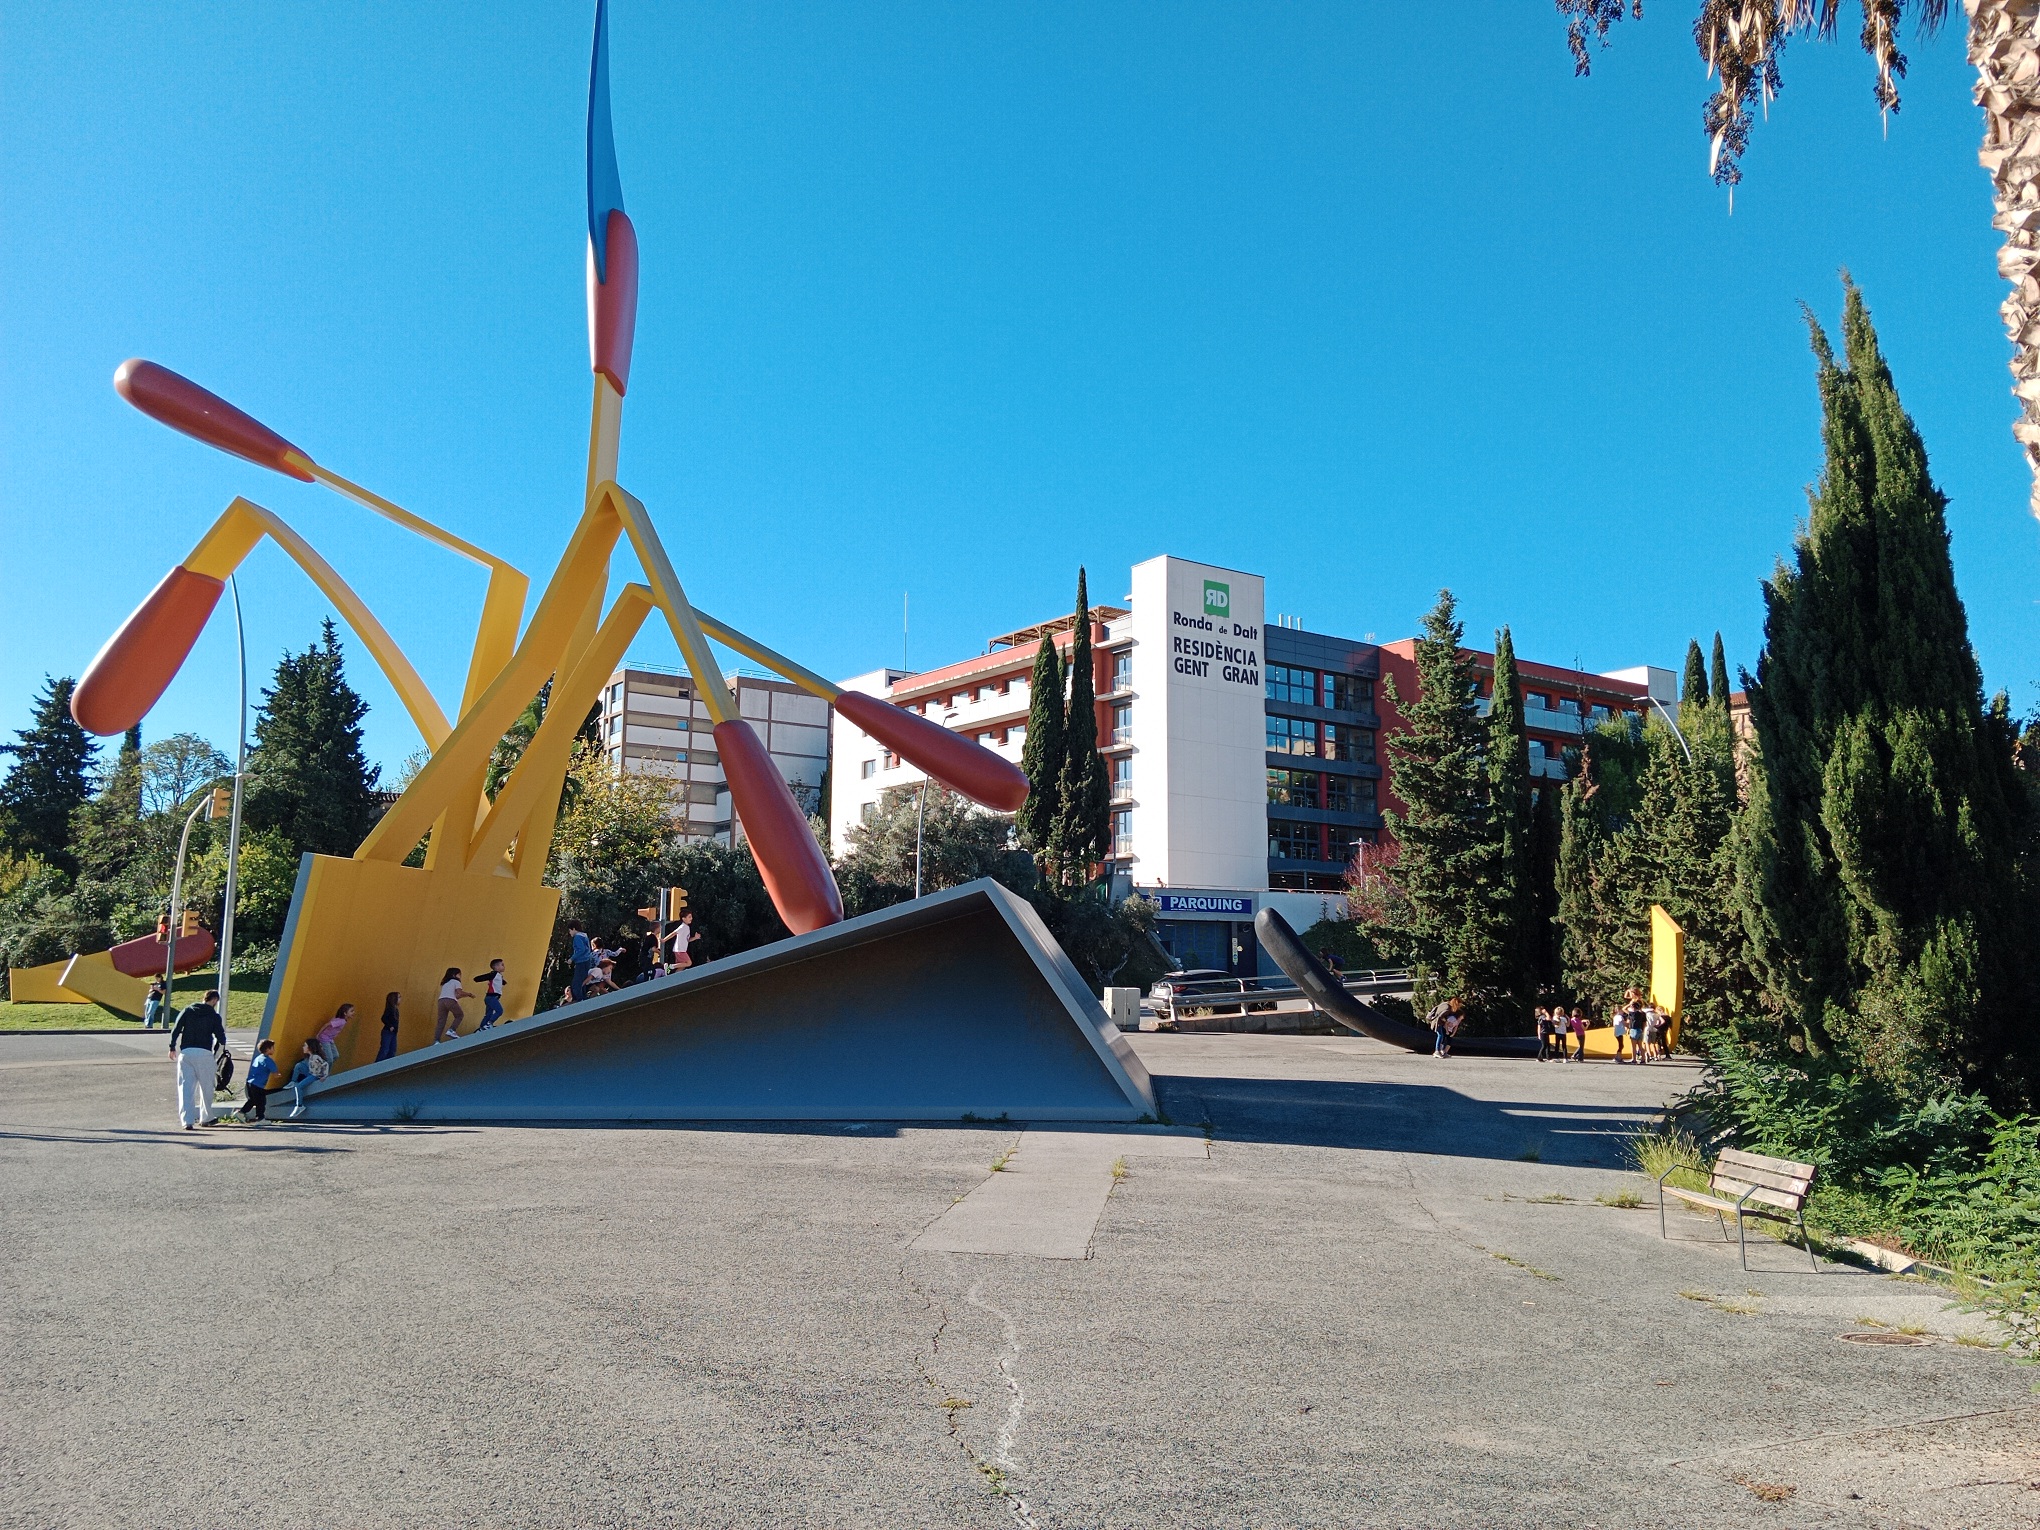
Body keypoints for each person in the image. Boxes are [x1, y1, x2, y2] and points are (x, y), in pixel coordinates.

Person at [167, 989, 227, 1130]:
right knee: (206, 1087)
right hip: (205, 1053)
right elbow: (221, 1037)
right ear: (214, 1000)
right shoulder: (214, 1016)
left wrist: (172, 1046)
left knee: (185, 1088)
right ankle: (206, 1118)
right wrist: (217, 1052)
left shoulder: (188, 1010)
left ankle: (187, 1121)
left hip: (186, 1053)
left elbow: (176, 1028)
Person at [241, 1038, 279, 1122]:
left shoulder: (258, 1058)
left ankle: (241, 1112)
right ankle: (260, 1118)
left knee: (253, 1100)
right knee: (261, 1102)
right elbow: (275, 1073)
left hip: (250, 1083)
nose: (274, 1050)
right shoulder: (268, 1060)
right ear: (268, 1049)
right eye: (273, 1048)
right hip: (258, 1085)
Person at [434, 968, 471, 1044]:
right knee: (459, 1015)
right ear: (454, 975)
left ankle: (436, 1040)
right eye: (459, 974)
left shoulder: (445, 983)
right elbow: (459, 992)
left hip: (441, 1001)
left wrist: (464, 995)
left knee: (441, 1021)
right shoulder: (456, 981)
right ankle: (452, 1030)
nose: (460, 976)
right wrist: (469, 994)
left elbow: (456, 996)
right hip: (450, 1000)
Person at [566, 920, 596, 1002]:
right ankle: (583, 998)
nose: (570, 933)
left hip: (581, 962)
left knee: (576, 983)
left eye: (570, 930)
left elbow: (581, 950)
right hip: (587, 961)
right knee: (583, 982)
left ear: (574, 929)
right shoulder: (584, 936)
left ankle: (578, 1000)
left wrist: (572, 958)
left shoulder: (577, 937)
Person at [478, 959, 506, 1029]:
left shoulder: (499, 975)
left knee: (488, 1014)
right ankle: (489, 1023)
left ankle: (482, 1027)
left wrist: (503, 982)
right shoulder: (494, 974)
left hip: (491, 997)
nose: (504, 966)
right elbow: (485, 977)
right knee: (499, 1011)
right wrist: (477, 979)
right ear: (496, 967)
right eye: (502, 965)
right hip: (492, 997)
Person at [375, 992, 401, 1062]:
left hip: (393, 1033)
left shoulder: (395, 1010)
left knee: (392, 1050)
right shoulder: (390, 1009)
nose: (400, 999)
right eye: (399, 997)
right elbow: (383, 1018)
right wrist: (390, 1026)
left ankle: (388, 1063)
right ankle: (378, 1064)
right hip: (388, 1032)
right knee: (385, 1049)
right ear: (394, 999)